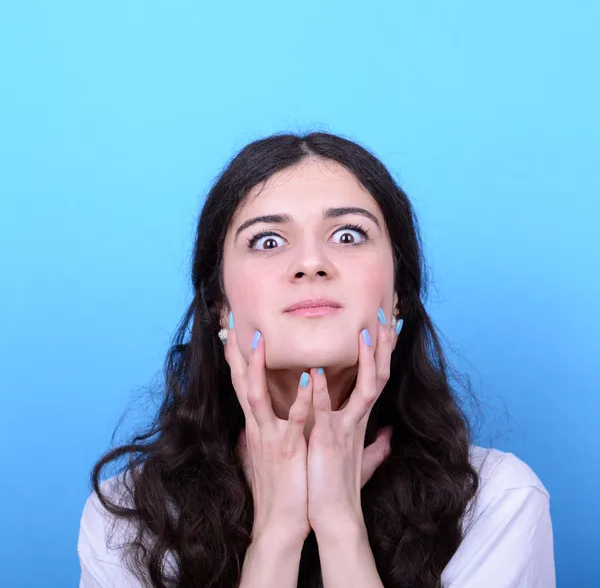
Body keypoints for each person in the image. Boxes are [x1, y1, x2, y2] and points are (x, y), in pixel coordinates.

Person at [77, 131, 556, 588]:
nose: (311, 263)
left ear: (398, 297)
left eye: (348, 235)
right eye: (267, 240)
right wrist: (276, 535)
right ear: (220, 305)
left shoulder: (498, 500)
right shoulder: (128, 517)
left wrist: (339, 523)